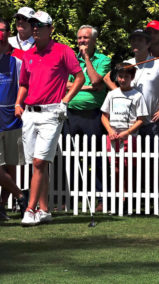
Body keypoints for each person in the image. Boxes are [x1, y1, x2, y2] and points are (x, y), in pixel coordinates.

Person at [14, 11, 84, 226]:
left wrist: (66, 100)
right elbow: (24, 83)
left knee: (39, 162)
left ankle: (30, 209)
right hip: (30, 113)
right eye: (32, 25)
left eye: (39, 25)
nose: (35, 28)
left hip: (53, 112)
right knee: (37, 164)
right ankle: (44, 209)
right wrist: (18, 103)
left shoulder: (63, 51)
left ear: (50, 29)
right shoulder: (29, 54)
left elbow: (79, 76)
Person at [63, 25, 111, 211]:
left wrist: (87, 60)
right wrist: (87, 86)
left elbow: (97, 81)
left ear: (94, 40)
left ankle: (101, 197)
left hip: (92, 115)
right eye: (80, 38)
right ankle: (70, 197)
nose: (82, 41)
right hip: (71, 114)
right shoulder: (69, 60)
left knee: (97, 157)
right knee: (69, 158)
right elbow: (62, 83)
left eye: (86, 38)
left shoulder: (103, 59)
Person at [104, 29, 159, 144]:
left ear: (148, 44)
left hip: (151, 122)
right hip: (128, 123)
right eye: (133, 40)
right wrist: (119, 93)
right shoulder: (127, 63)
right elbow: (107, 78)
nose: (135, 43)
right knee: (130, 159)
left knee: (153, 159)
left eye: (140, 40)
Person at [101, 62, 148, 202]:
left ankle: (126, 198)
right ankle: (116, 197)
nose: (122, 79)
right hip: (113, 135)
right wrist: (110, 130)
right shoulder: (112, 94)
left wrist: (128, 132)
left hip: (130, 136)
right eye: (120, 76)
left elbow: (141, 119)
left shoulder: (137, 96)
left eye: (126, 77)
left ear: (132, 77)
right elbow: (104, 116)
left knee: (128, 168)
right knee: (114, 168)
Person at [0, 18, 28, 220]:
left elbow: (23, 86)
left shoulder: (17, 61)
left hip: (12, 118)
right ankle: (21, 195)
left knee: (11, 165)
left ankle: (1, 207)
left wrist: (19, 105)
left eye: (3, 30)